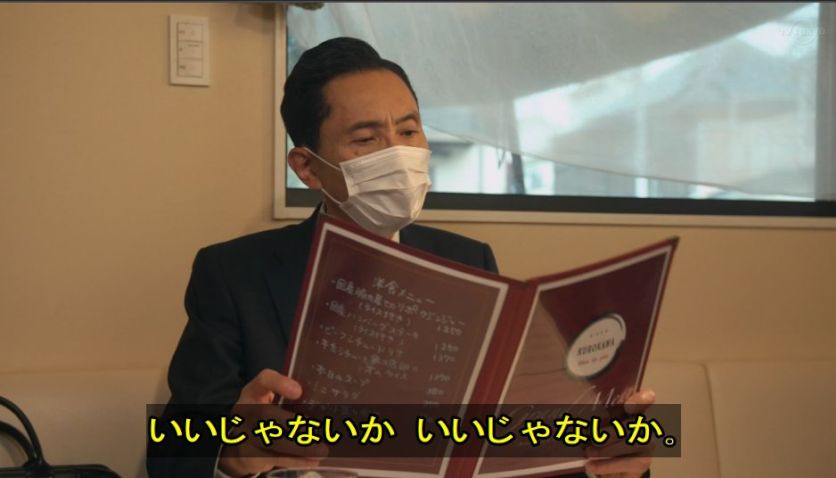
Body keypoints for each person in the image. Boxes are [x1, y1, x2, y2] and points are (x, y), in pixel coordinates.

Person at [147, 37, 654, 478]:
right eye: (366, 139)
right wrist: (230, 451)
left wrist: (610, 459)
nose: (398, 154)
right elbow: (170, 452)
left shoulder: (471, 261)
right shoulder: (235, 274)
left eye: (409, 132)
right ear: (308, 167)